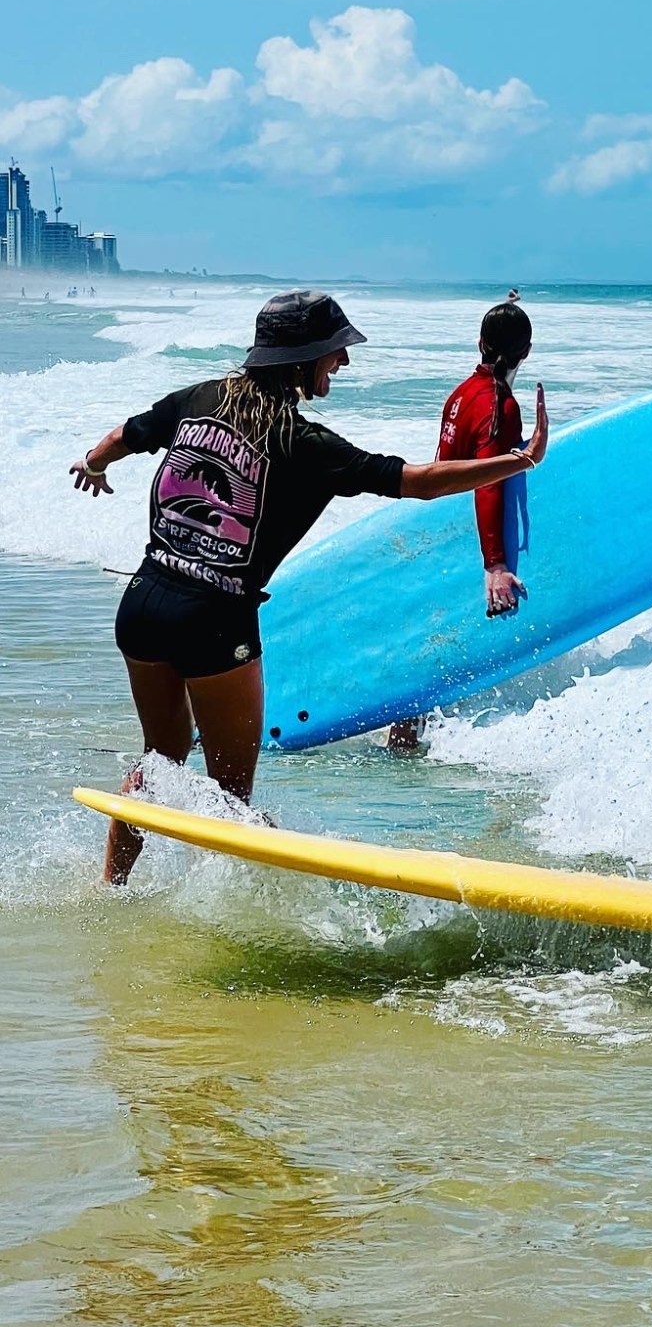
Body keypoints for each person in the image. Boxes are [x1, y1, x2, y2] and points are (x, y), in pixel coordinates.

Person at [71, 290, 549, 883]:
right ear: (301, 360)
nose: (341, 364)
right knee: (230, 797)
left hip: (143, 602)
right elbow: (418, 482)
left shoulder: (198, 398)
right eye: (333, 352)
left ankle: (111, 889)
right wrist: (521, 460)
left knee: (161, 758)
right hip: (213, 621)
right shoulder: (306, 445)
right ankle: (222, 922)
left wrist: (94, 464)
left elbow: (127, 434)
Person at [385, 299, 535, 750]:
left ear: (480, 344)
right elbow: (487, 483)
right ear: (526, 352)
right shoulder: (498, 407)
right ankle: (405, 752)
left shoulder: (462, 393)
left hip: (444, 531)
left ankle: (402, 743)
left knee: (435, 645)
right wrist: (496, 564)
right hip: (468, 541)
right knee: (441, 652)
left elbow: (446, 469)